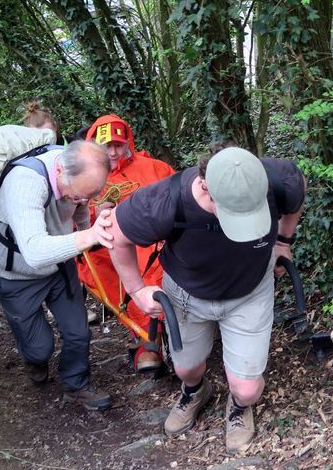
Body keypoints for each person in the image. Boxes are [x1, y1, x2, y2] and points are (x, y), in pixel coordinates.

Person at [106, 146, 306, 451]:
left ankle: (239, 406)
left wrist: (283, 241)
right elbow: (117, 233)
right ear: (204, 185)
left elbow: (297, 193)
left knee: (249, 389)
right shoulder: (165, 200)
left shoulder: (277, 181)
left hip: (249, 291)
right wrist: (136, 290)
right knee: (186, 369)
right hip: (187, 292)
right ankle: (195, 390)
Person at [0, 132, 115, 411]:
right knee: (39, 348)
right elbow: (34, 252)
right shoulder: (24, 183)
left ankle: (76, 385)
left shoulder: (75, 178)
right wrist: (89, 236)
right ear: (59, 170)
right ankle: (33, 358)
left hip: (59, 262)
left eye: (90, 194)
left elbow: (80, 206)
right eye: (79, 193)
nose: (83, 199)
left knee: (78, 332)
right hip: (15, 272)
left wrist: (84, 223)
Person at [76, 114, 175, 372]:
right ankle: (145, 338)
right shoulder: (83, 174)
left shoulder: (154, 168)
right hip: (107, 248)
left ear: (128, 143)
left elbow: (178, 198)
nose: (112, 152)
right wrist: (96, 215)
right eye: (106, 145)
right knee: (120, 271)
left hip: (156, 241)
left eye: (118, 145)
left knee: (154, 264)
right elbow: (72, 223)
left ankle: (169, 336)